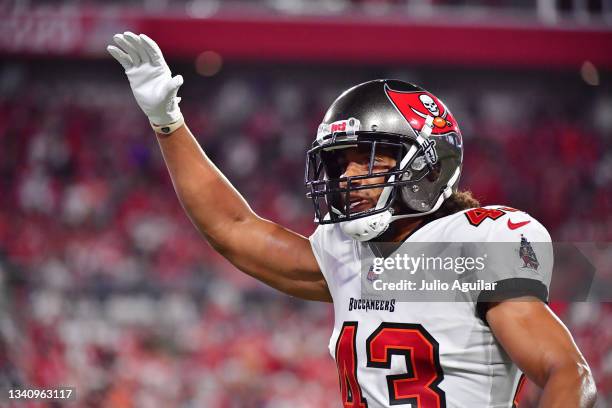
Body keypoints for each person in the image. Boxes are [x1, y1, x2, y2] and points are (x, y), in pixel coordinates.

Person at [107, 32, 597, 407]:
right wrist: (168, 122)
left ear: (428, 164)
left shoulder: (477, 243)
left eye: (370, 158)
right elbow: (234, 229)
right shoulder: (348, 252)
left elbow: (568, 374)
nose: (350, 176)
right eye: (343, 163)